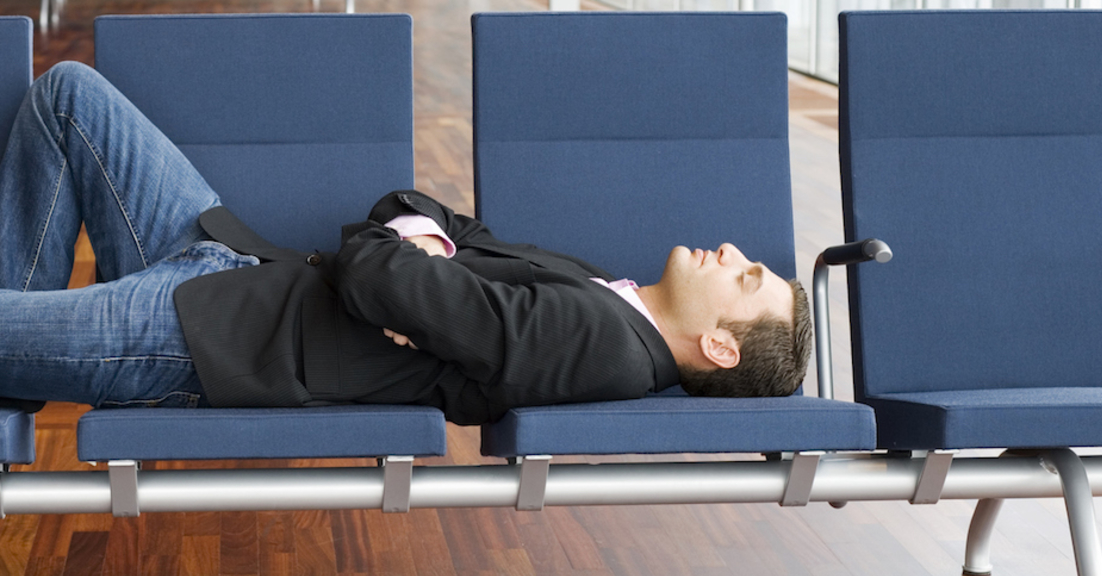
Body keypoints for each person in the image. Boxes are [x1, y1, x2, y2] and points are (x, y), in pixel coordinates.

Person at [0, 62, 812, 426]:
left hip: (209, 340)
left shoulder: (603, 346)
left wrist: (407, 258)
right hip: (233, 267)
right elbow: (434, 218)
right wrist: (424, 237)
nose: (734, 250)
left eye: (746, 279)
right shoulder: (608, 293)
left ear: (719, 347)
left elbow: (378, 279)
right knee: (69, 98)